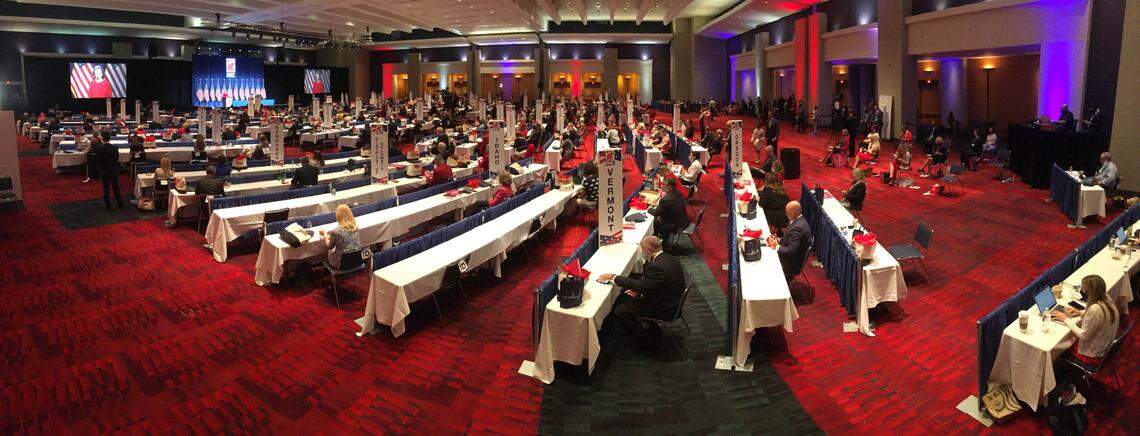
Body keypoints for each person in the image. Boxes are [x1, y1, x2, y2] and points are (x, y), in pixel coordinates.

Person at [596, 236, 685, 344]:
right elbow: (652, 284)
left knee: (620, 310)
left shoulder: (657, 267)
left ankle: (643, 341)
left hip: (664, 308)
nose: (642, 252)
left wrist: (613, 277)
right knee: (631, 290)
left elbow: (644, 285)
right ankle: (653, 330)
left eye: (642, 249)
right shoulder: (671, 258)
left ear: (648, 250)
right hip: (670, 299)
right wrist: (640, 290)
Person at [1051, 275, 1120, 364]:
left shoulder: (1095, 309)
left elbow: (1084, 335)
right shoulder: (1107, 298)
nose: (1081, 292)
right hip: (1103, 344)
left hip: (1092, 354)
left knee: (1059, 347)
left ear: (1089, 292)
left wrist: (1065, 319)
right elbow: (1100, 316)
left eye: (1083, 290)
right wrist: (1080, 313)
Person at [767, 201, 812, 280]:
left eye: (787, 212)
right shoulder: (801, 220)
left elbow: (791, 250)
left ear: (794, 212)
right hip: (792, 257)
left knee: (766, 259)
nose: (786, 214)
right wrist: (778, 240)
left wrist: (776, 247)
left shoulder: (797, 228)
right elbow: (790, 239)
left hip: (790, 263)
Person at [320, 204, 362, 269]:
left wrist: (325, 235)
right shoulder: (355, 227)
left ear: (338, 216)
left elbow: (329, 247)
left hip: (341, 264)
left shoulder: (336, 232)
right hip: (356, 261)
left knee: (330, 251)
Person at [93, 134, 123, 210]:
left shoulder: (99, 148)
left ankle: (108, 206)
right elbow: (116, 159)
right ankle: (120, 204)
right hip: (113, 170)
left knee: (106, 188)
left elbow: (97, 161)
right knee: (116, 187)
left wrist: (100, 169)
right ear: (109, 138)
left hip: (104, 170)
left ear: (102, 139)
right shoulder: (115, 148)